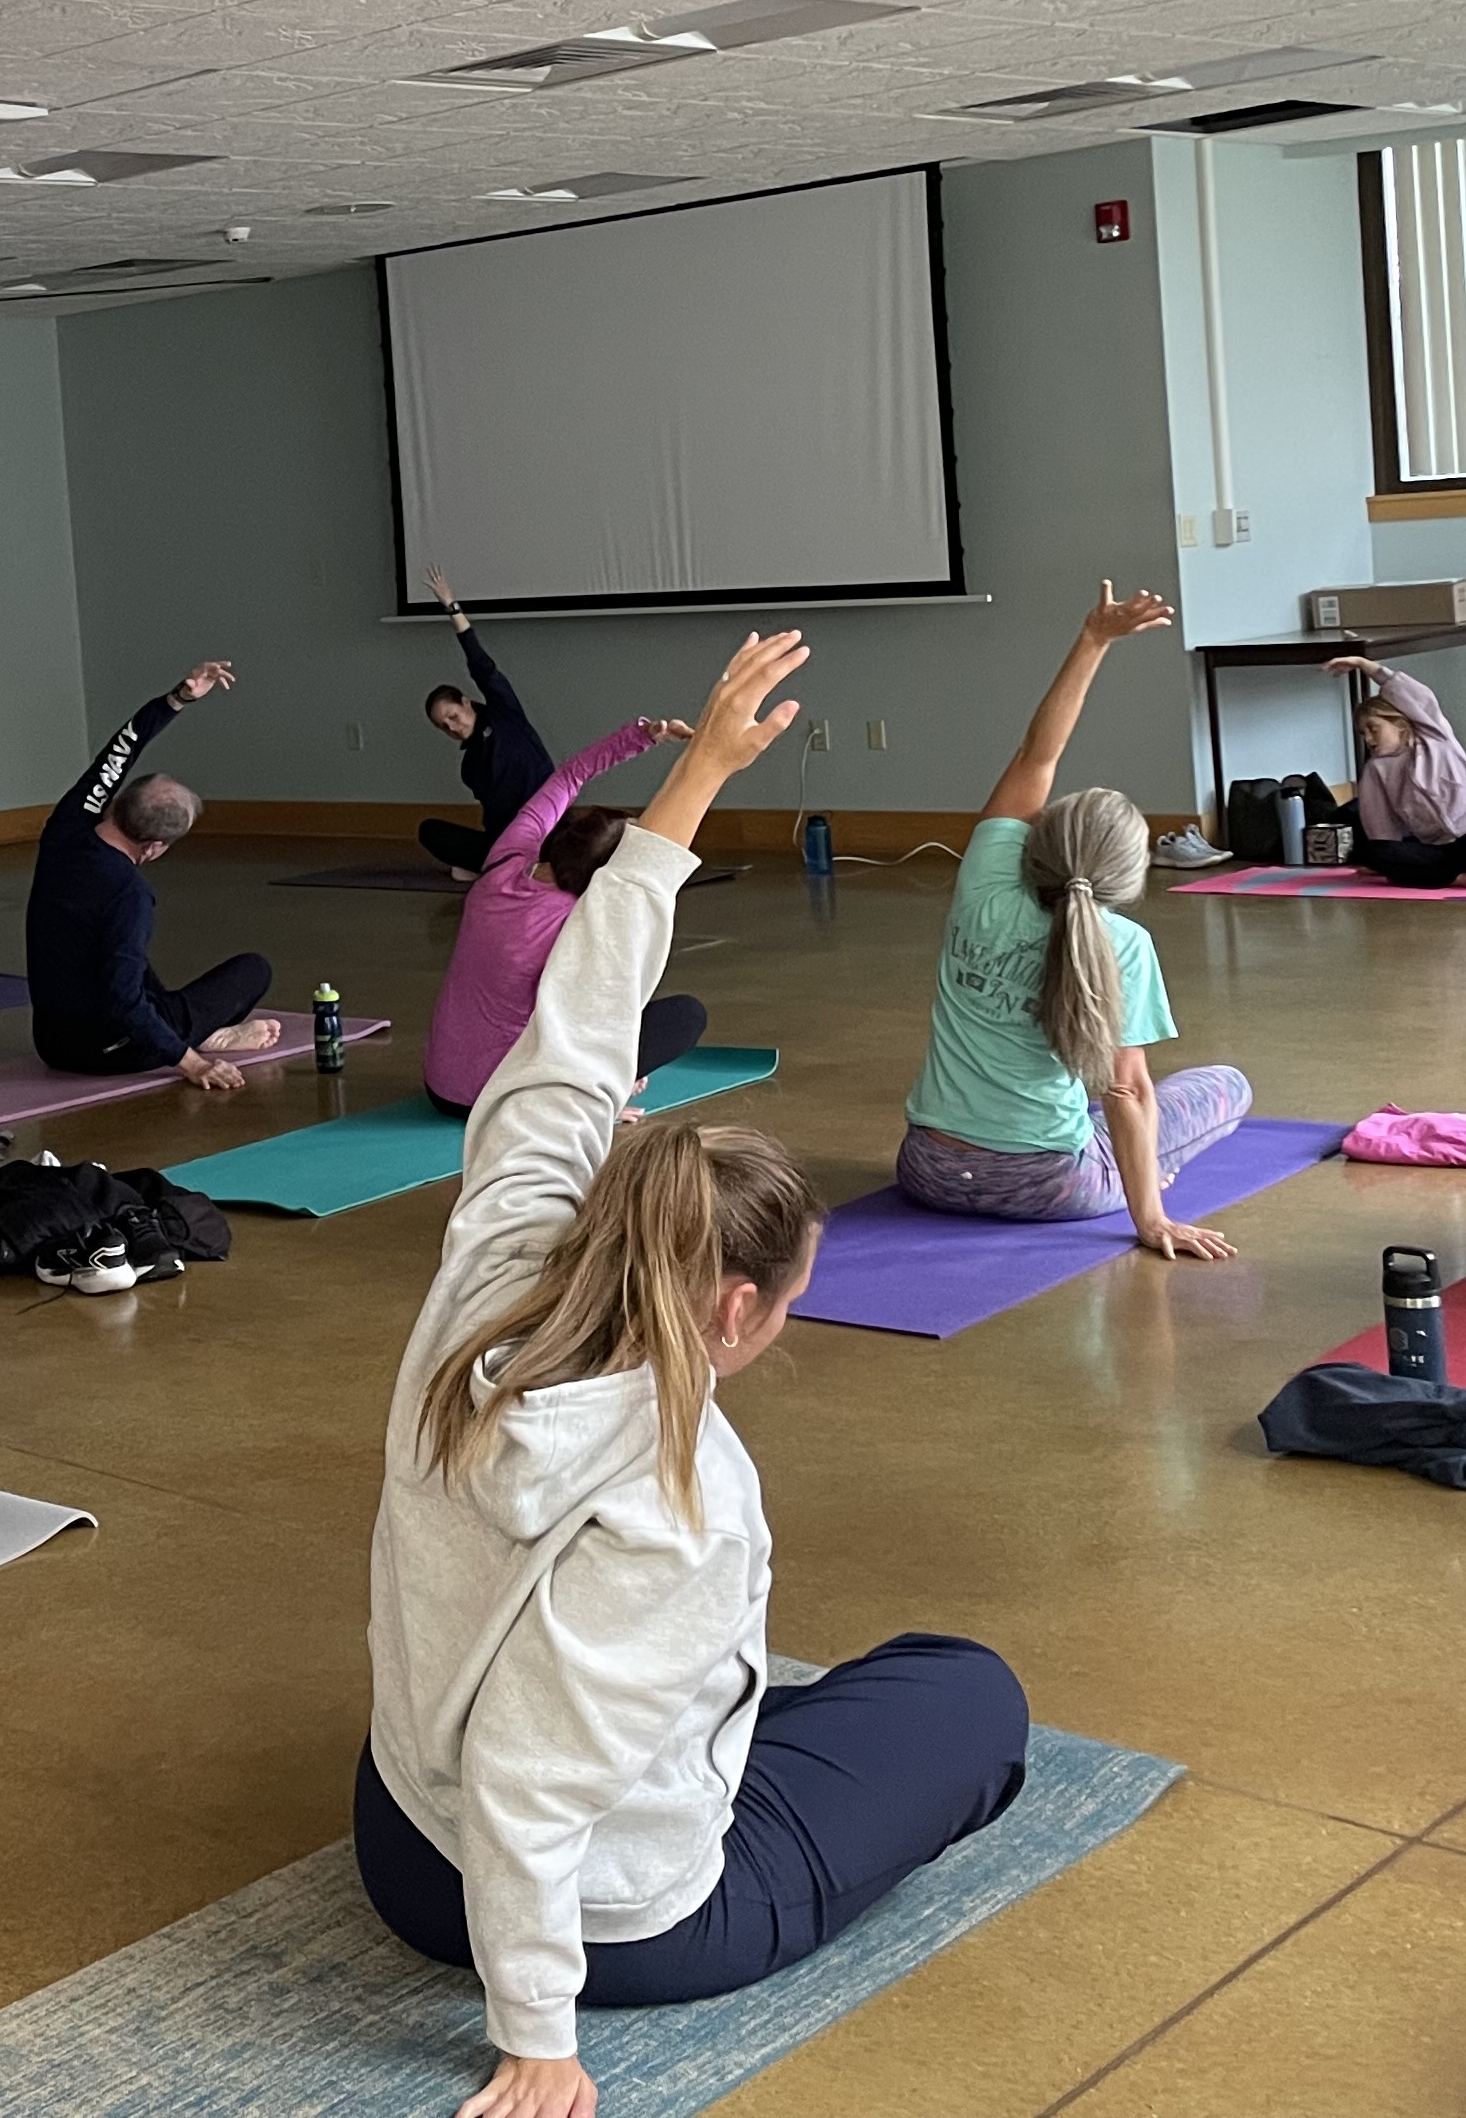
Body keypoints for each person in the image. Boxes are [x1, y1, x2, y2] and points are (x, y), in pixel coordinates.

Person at [363, 631, 1028, 2118]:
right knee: (967, 1696)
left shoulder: (493, 1261)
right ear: (739, 1307)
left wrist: (699, 780)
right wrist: (539, 2031)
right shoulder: (681, 1492)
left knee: (786, 1694)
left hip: (404, 1834)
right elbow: (537, 1780)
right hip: (613, 1926)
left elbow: (577, 1026)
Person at [895, 585, 1249, 1260]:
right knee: (1226, 1088)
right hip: (1053, 1190)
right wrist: (1152, 1219)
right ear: (1127, 875)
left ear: (1036, 842)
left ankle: (1103, 1162)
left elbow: (1037, 757)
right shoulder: (1123, 944)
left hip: (929, 1171)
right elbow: (1128, 1088)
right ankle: (1124, 1174)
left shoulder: (983, 885)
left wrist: (1093, 639)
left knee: (1076, 1107)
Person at [420, 716, 701, 1116]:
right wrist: (609, 1082)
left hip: (442, 1086)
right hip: (509, 1099)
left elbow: (570, 775)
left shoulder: (506, 861)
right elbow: (594, 1018)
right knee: (684, 1016)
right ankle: (589, 1095)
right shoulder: (577, 922)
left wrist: (643, 735)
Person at [27, 664, 280, 1091]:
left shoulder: (65, 831)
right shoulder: (129, 893)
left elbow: (117, 753)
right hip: (112, 1049)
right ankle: (194, 1036)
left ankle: (190, 1030)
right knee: (253, 970)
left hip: (52, 1042)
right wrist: (194, 1064)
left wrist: (177, 698)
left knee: (119, 959)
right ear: (155, 848)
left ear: (115, 805)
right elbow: (123, 1002)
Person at [1324, 653, 1466, 887]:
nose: (1368, 738)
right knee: (1374, 852)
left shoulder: (1435, 738)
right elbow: (1381, 827)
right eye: (1362, 733)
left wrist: (1364, 665)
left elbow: (1417, 696)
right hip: (1439, 849)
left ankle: (1453, 868)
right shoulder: (1375, 771)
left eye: (1373, 728)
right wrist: (1387, 859)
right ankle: (1461, 879)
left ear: (1399, 723)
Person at [419, 569, 555, 882]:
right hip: (511, 841)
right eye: (443, 726)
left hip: (550, 824)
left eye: (452, 716)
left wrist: (452, 608)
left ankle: (508, 868)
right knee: (430, 831)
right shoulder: (470, 766)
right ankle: (504, 866)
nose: (452, 727)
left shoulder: (503, 713)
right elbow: (496, 818)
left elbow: (481, 664)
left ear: (466, 702)